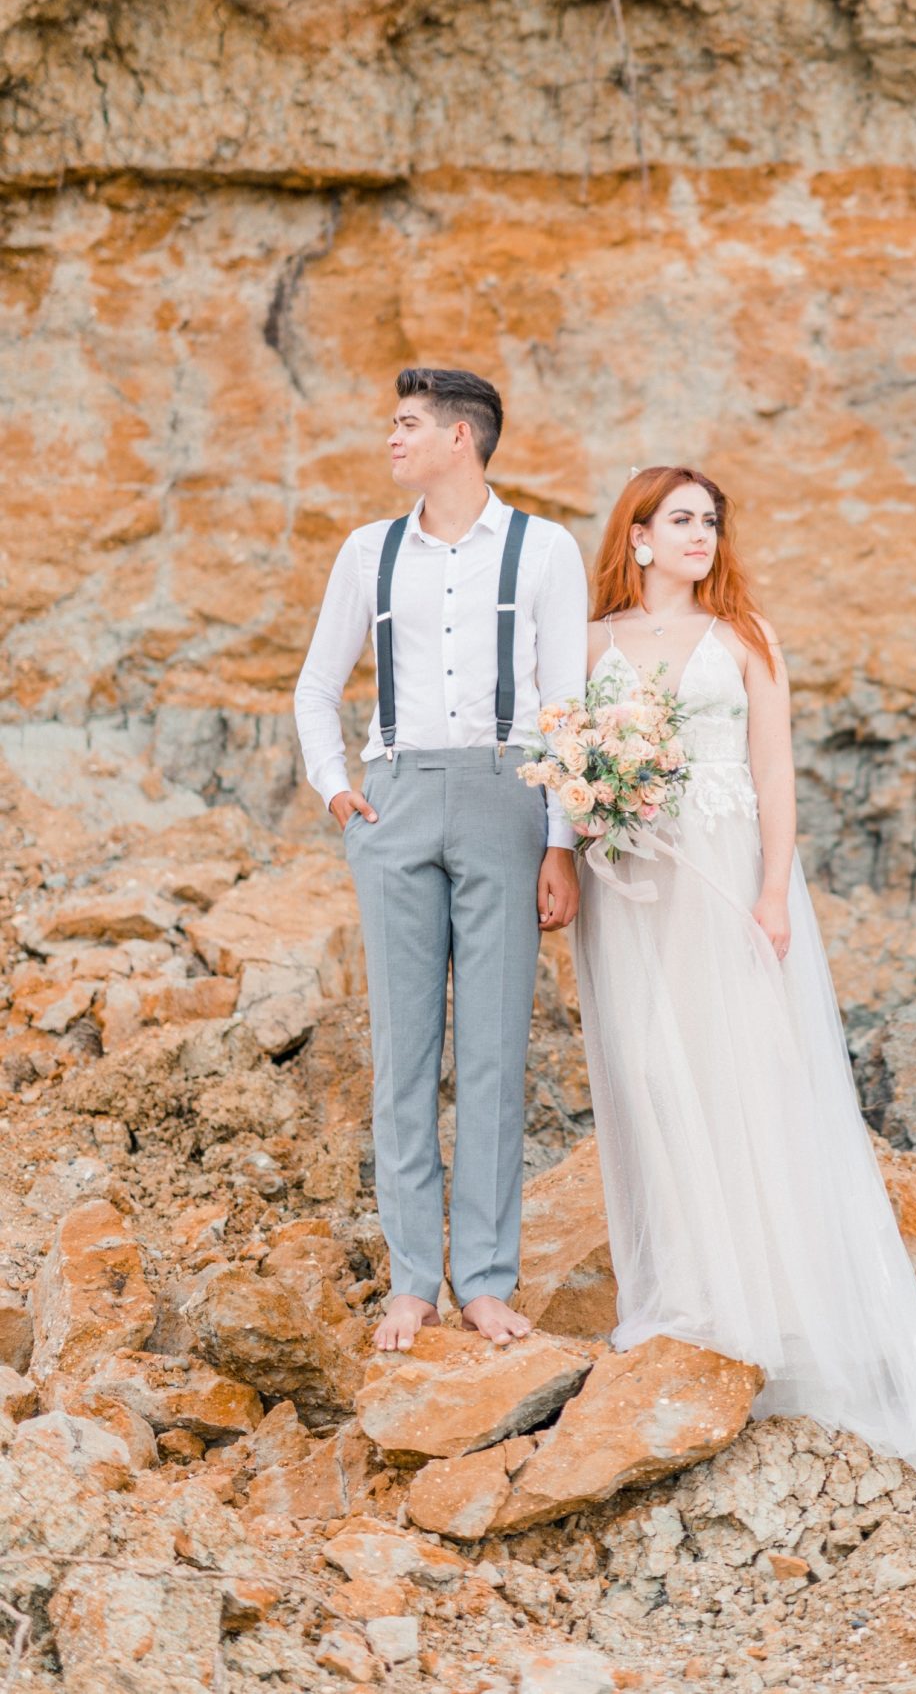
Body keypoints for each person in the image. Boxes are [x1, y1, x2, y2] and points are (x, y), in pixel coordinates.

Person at [571, 466, 916, 1514]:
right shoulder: (595, 645)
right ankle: (684, 1287)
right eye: (680, 519)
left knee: (743, 1072)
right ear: (635, 537)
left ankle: (767, 1306)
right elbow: (574, 757)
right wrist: (596, 820)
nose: (701, 534)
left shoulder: (744, 638)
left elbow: (774, 772)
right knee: (649, 1069)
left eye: (711, 520)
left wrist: (773, 892)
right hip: (631, 886)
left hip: (727, 874)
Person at [294, 368, 587, 1352]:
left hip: (509, 791)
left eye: (407, 423)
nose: (392, 436)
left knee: (497, 1049)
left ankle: (488, 1280)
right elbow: (315, 684)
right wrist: (339, 788)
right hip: (397, 795)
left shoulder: (545, 548)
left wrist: (560, 844)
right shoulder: (367, 552)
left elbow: (567, 709)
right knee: (404, 1054)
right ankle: (413, 1278)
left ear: (461, 437)